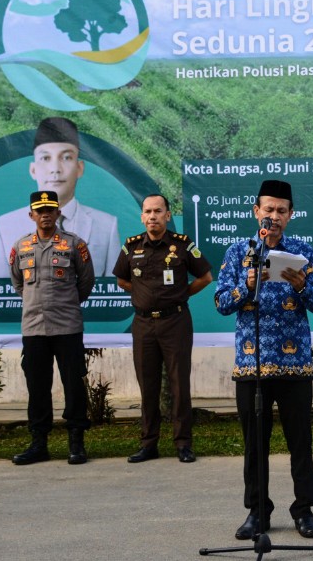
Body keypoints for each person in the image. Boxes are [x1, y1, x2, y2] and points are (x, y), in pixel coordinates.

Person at [215, 179, 313, 540]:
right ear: (256, 212)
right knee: (255, 445)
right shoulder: (239, 252)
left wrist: (300, 285)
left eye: (281, 210)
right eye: (268, 209)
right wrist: (245, 287)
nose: (274, 216)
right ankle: (257, 512)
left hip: (295, 366)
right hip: (252, 366)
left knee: (300, 443)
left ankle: (304, 511)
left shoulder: (303, 253)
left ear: (291, 214)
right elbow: (221, 303)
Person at [113, 194, 212, 464]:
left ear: (168, 215)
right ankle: (148, 444)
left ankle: (183, 444)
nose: (152, 216)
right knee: (148, 386)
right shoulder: (131, 246)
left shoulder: (182, 245)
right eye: (148, 212)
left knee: (179, 384)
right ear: (142, 217)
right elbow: (122, 280)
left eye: (158, 211)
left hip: (175, 322)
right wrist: (143, 295)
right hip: (143, 324)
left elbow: (205, 277)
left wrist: (181, 294)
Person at [9, 191, 95, 465]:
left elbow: (86, 282)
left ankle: (76, 442)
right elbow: (18, 284)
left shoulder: (75, 244)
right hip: (34, 328)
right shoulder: (21, 246)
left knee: (74, 385)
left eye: (50, 210)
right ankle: (39, 444)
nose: (45, 215)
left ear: (58, 213)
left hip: (67, 326)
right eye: (40, 210)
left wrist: (65, 303)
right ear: (31, 215)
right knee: (37, 387)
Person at [0, 116, 119, 279]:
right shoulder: (5, 226)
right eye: (45, 158)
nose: (55, 169)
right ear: (33, 170)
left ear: (79, 168)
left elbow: (113, 287)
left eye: (66, 157)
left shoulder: (106, 225)